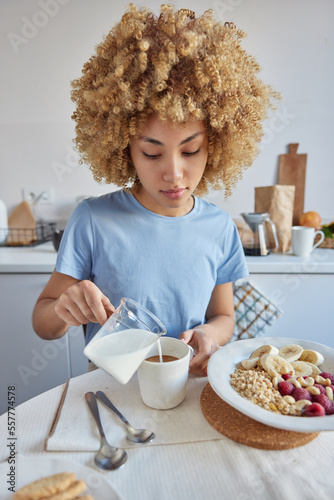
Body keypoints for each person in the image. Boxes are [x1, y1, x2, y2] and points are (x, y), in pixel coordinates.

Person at [33, 4, 278, 375]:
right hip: (113, 399)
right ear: (124, 148)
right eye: (151, 153)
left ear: (217, 145)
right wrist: (63, 309)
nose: (174, 173)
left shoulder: (219, 227)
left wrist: (210, 334)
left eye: (191, 150)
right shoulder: (93, 220)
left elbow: (224, 315)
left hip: (191, 390)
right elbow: (43, 324)